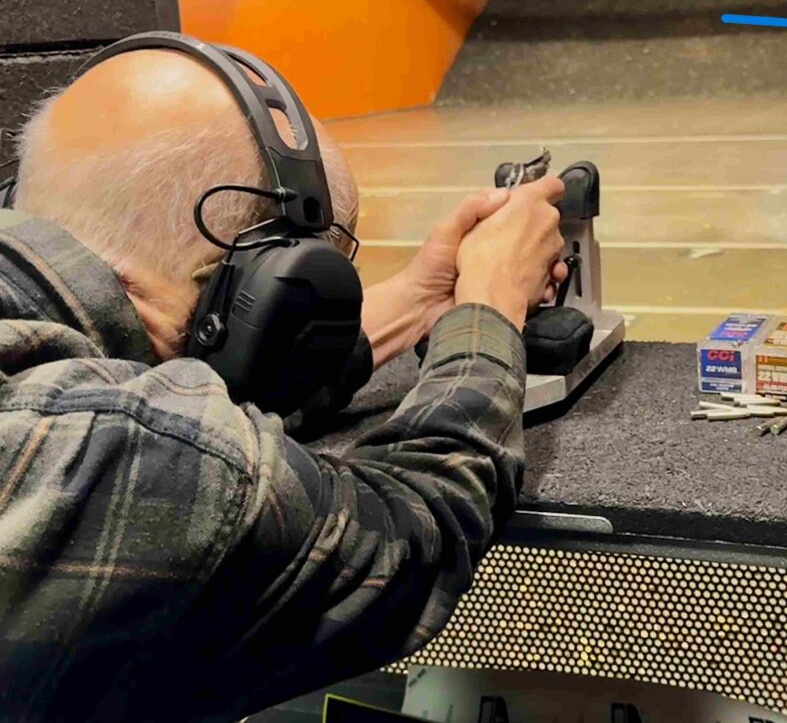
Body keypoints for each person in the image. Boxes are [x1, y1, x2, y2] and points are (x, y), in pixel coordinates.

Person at [0, 40, 567, 721]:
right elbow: (420, 523)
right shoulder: (122, 452)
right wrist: (492, 301)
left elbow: (199, 370)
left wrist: (421, 298)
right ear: (245, 288)